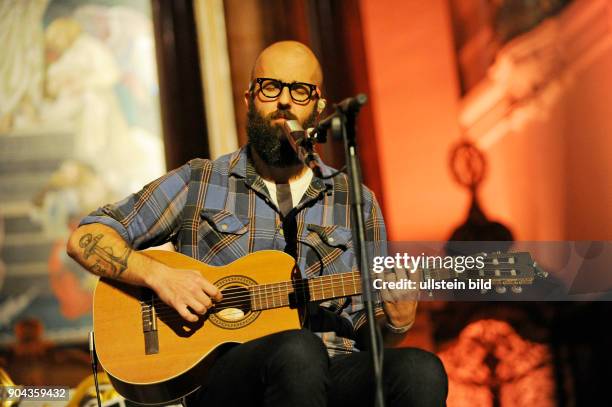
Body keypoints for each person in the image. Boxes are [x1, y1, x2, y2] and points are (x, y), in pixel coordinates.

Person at [67, 41, 447, 406]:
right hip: (225, 377)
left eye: (299, 90)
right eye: (270, 87)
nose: (284, 100)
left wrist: (396, 322)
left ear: (319, 106)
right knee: (299, 351)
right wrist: (160, 277)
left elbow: (369, 332)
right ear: (249, 99)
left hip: (335, 371)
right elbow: (87, 236)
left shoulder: (356, 201)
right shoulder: (200, 181)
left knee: (421, 370)